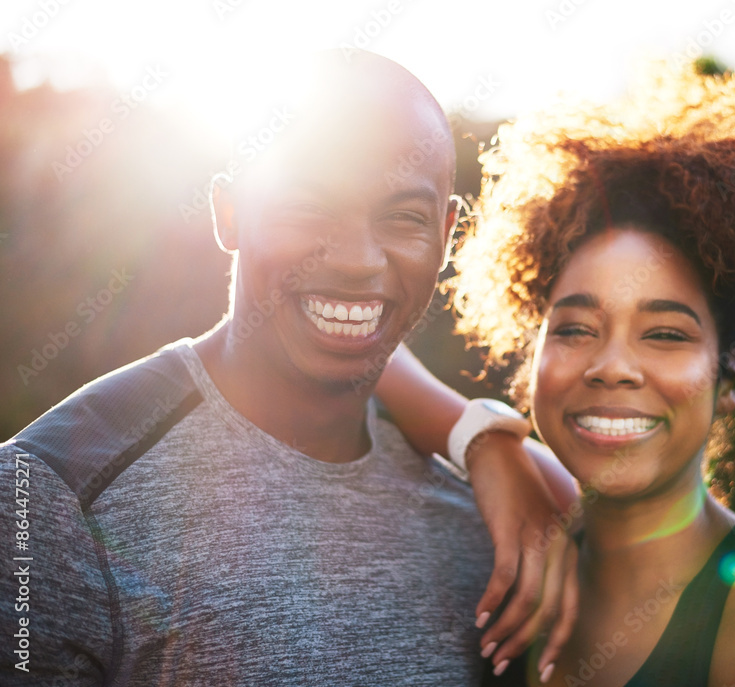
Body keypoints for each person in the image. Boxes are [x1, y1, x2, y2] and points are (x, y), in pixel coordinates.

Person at [0, 51, 576, 685]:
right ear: (229, 213)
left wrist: (485, 442)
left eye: (402, 217)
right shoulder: (47, 496)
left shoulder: (488, 531)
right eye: (308, 206)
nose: (358, 259)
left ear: (446, 237)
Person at [451, 62, 735, 685]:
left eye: (665, 334)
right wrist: (484, 440)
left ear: (730, 375)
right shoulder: (510, 539)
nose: (611, 365)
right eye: (575, 328)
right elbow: (362, 371)